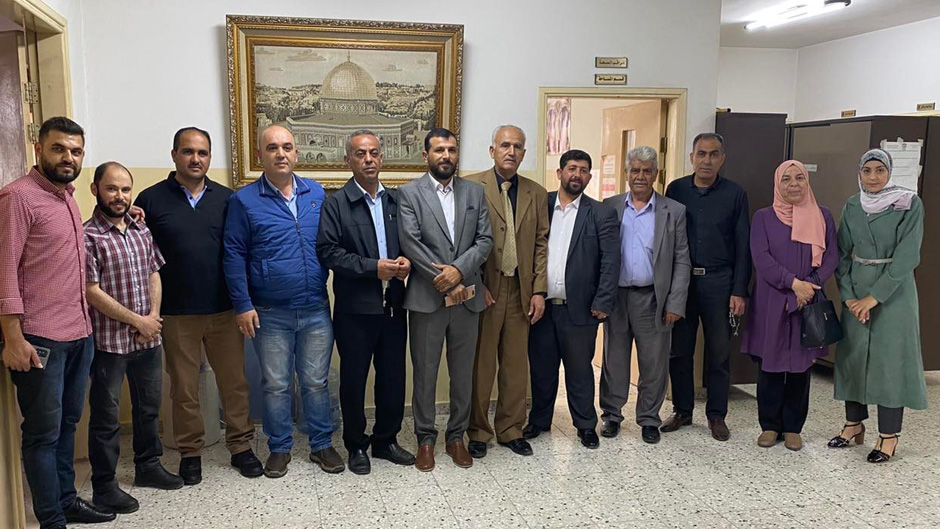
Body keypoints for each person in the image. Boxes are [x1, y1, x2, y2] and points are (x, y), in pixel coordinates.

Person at [0, 117, 115, 528]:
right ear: (39, 149)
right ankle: (51, 519)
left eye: (76, 151)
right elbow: (4, 272)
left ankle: (67, 501)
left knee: (68, 426)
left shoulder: (67, 196)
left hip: (78, 333)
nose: (68, 157)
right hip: (39, 339)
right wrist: (13, 338)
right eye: (59, 149)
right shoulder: (17, 197)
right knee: (43, 434)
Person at [134, 127, 263, 485]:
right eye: (188, 151)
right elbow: (139, 252)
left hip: (224, 310)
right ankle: (190, 452)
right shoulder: (150, 200)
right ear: (174, 155)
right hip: (176, 314)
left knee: (234, 383)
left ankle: (241, 446)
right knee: (184, 388)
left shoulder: (227, 199)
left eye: (203, 153)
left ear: (210, 157)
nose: (196, 159)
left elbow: (240, 251)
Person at [223, 125, 342, 477]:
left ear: (296, 153)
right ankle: (279, 447)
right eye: (272, 147)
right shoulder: (244, 200)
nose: (281, 154)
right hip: (269, 312)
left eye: (287, 147)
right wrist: (243, 305)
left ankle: (321, 444)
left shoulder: (315, 192)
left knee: (316, 381)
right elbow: (233, 254)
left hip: (315, 307)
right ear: (261, 155)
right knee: (276, 385)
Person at [84, 162, 185, 514]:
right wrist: (137, 321)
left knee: (147, 408)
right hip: (109, 343)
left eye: (125, 189)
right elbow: (91, 291)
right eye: (111, 188)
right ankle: (105, 486)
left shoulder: (141, 229)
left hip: (148, 339)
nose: (120, 196)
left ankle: (148, 466)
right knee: (106, 417)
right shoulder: (87, 236)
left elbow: (154, 272)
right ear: (95, 190)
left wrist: (152, 318)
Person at [317, 130, 415, 475]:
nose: (369, 159)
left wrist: (407, 261)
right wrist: (373, 268)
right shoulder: (336, 204)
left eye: (374, 153)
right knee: (354, 381)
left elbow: (411, 242)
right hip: (355, 311)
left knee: (393, 378)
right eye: (360, 154)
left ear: (382, 158)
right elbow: (328, 252)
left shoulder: (396, 201)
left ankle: (386, 440)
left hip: (394, 306)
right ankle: (356, 444)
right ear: (348, 160)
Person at [398, 128, 493, 471]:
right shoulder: (409, 194)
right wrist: (445, 280)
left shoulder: (474, 192)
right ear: (426, 155)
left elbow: (484, 240)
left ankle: (456, 437)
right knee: (424, 372)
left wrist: (458, 271)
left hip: (467, 299)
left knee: (462, 373)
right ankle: (425, 439)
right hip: (427, 299)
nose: (446, 156)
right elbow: (410, 243)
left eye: (451, 150)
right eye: (439, 150)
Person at [828, 149, 927, 463]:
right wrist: (848, 297)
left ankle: (888, 435)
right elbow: (841, 254)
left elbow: (908, 256)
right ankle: (853, 424)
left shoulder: (908, 204)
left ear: (889, 172)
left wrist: (874, 298)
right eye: (867, 170)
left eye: (880, 170)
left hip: (894, 295)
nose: (873, 177)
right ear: (859, 173)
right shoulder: (853, 205)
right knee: (853, 358)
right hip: (856, 291)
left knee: (889, 363)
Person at [524, 149, 619, 449]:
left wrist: (603, 301)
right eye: (572, 168)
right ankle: (539, 420)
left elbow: (610, 261)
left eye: (583, 170)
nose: (577, 174)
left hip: (581, 309)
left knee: (579, 372)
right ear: (560, 172)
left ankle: (585, 425)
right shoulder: (541, 205)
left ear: (589, 177)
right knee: (542, 370)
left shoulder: (601, 213)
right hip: (541, 307)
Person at [741, 160, 838, 451]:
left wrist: (809, 285)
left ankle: (794, 427)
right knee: (770, 365)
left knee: (801, 365)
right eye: (786, 179)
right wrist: (793, 284)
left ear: (807, 182)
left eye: (799, 178)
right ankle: (770, 425)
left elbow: (831, 256)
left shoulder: (822, 215)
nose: (793, 184)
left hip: (809, 298)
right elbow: (761, 258)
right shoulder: (763, 217)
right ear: (777, 184)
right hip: (772, 299)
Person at [464, 125, 549, 458]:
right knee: (481, 365)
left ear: (523, 153)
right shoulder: (471, 187)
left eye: (517, 146)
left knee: (515, 366)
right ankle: (477, 430)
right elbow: (463, 240)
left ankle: (511, 428)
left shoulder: (536, 193)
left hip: (521, 290)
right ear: (492, 150)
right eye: (504, 145)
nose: (511, 151)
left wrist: (539, 290)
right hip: (486, 288)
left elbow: (541, 244)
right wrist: (476, 284)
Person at [599, 146, 691, 444]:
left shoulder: (673, 211)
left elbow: (682, 260)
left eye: (647, 171)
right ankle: (611, 415)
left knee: (654, 362)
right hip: (616, 298)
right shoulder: (610, 206)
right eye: (635, 170)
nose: (640, 176)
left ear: (656, 174)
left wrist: (675, 302)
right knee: (614, 360)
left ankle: (649, 418)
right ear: (627, 173)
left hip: (654, 299)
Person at [663, 132, 751, 441]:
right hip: (683, 282)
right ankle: (682, 410)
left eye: (714, 154)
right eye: (701, 154)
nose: (707, 160)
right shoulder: (676, 190)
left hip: (719, 282)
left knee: (719, 353)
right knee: (679, 351)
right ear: (692, 157)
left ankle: (716, 415)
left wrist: (739, 290)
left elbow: (743, 245)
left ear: (722, 159)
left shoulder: (735, 194)